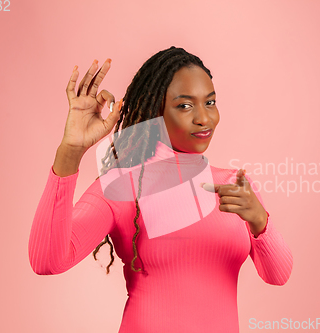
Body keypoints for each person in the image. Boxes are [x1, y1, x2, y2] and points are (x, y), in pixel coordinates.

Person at [28, 46, 293, 333]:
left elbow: (278, 275)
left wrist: (260, 222)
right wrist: (70, 152)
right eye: (185, 105)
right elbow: (47, 261)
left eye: (211, 102)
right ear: (156, 110)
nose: (204, 119)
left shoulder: (234, 185)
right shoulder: (123, 187)